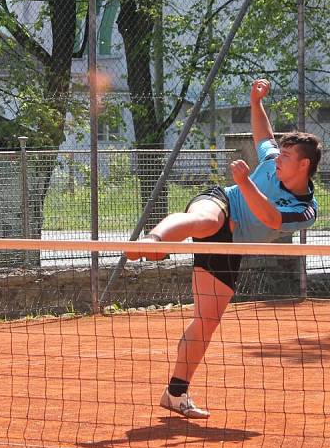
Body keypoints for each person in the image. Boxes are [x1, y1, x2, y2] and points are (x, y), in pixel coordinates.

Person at [127, 79, 321, 419]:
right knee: (204, 219)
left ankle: (175, 394)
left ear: (303, 165)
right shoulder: (273, 158)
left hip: (231, 246)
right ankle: (153, 240)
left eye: (287, 156)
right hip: (221, 202)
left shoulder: (305, 209)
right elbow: (264, 136)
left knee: (207, 321)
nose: (278, 157)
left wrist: (246, 182)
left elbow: (271, 217)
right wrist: (254, 100)